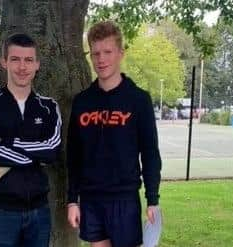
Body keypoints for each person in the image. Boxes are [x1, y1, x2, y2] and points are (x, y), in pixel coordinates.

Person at [67, 21, 162, 247]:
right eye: (96, 53)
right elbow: (74, 156)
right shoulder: (82, 102)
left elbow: (150, 153)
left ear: (120, 53)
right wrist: (72, 200)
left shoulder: (139, 100)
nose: (101, 59)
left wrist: (153, 199)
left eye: (108, 52)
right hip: (91, 200)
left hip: (124, 200)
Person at [0, 33, 62, 247]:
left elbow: (52, 151)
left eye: (28, 60)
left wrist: (9, 142)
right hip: (2, 211)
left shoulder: (49, 107)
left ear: (37, 65)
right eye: (15, 59)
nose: (22, 67)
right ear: (4, 62)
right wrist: (34, 156)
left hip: (40, 211)